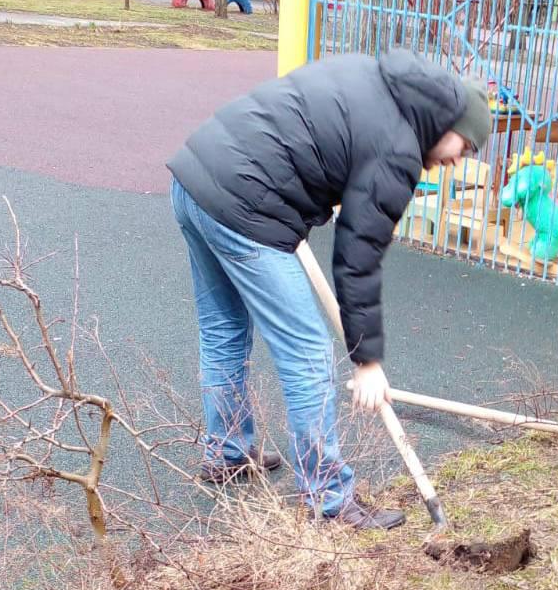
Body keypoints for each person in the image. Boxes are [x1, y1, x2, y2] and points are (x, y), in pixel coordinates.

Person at [168, 50, 491, 530]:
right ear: (447, 121)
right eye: (463, 148)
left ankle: (227, 452)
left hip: (196, 176)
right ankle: (330, 502)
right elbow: (358, 258)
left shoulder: (373, 76)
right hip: (244, 204)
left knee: (224, 330)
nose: (455, 162)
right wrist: (368, 363)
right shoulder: (398, 148)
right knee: (308, 352)